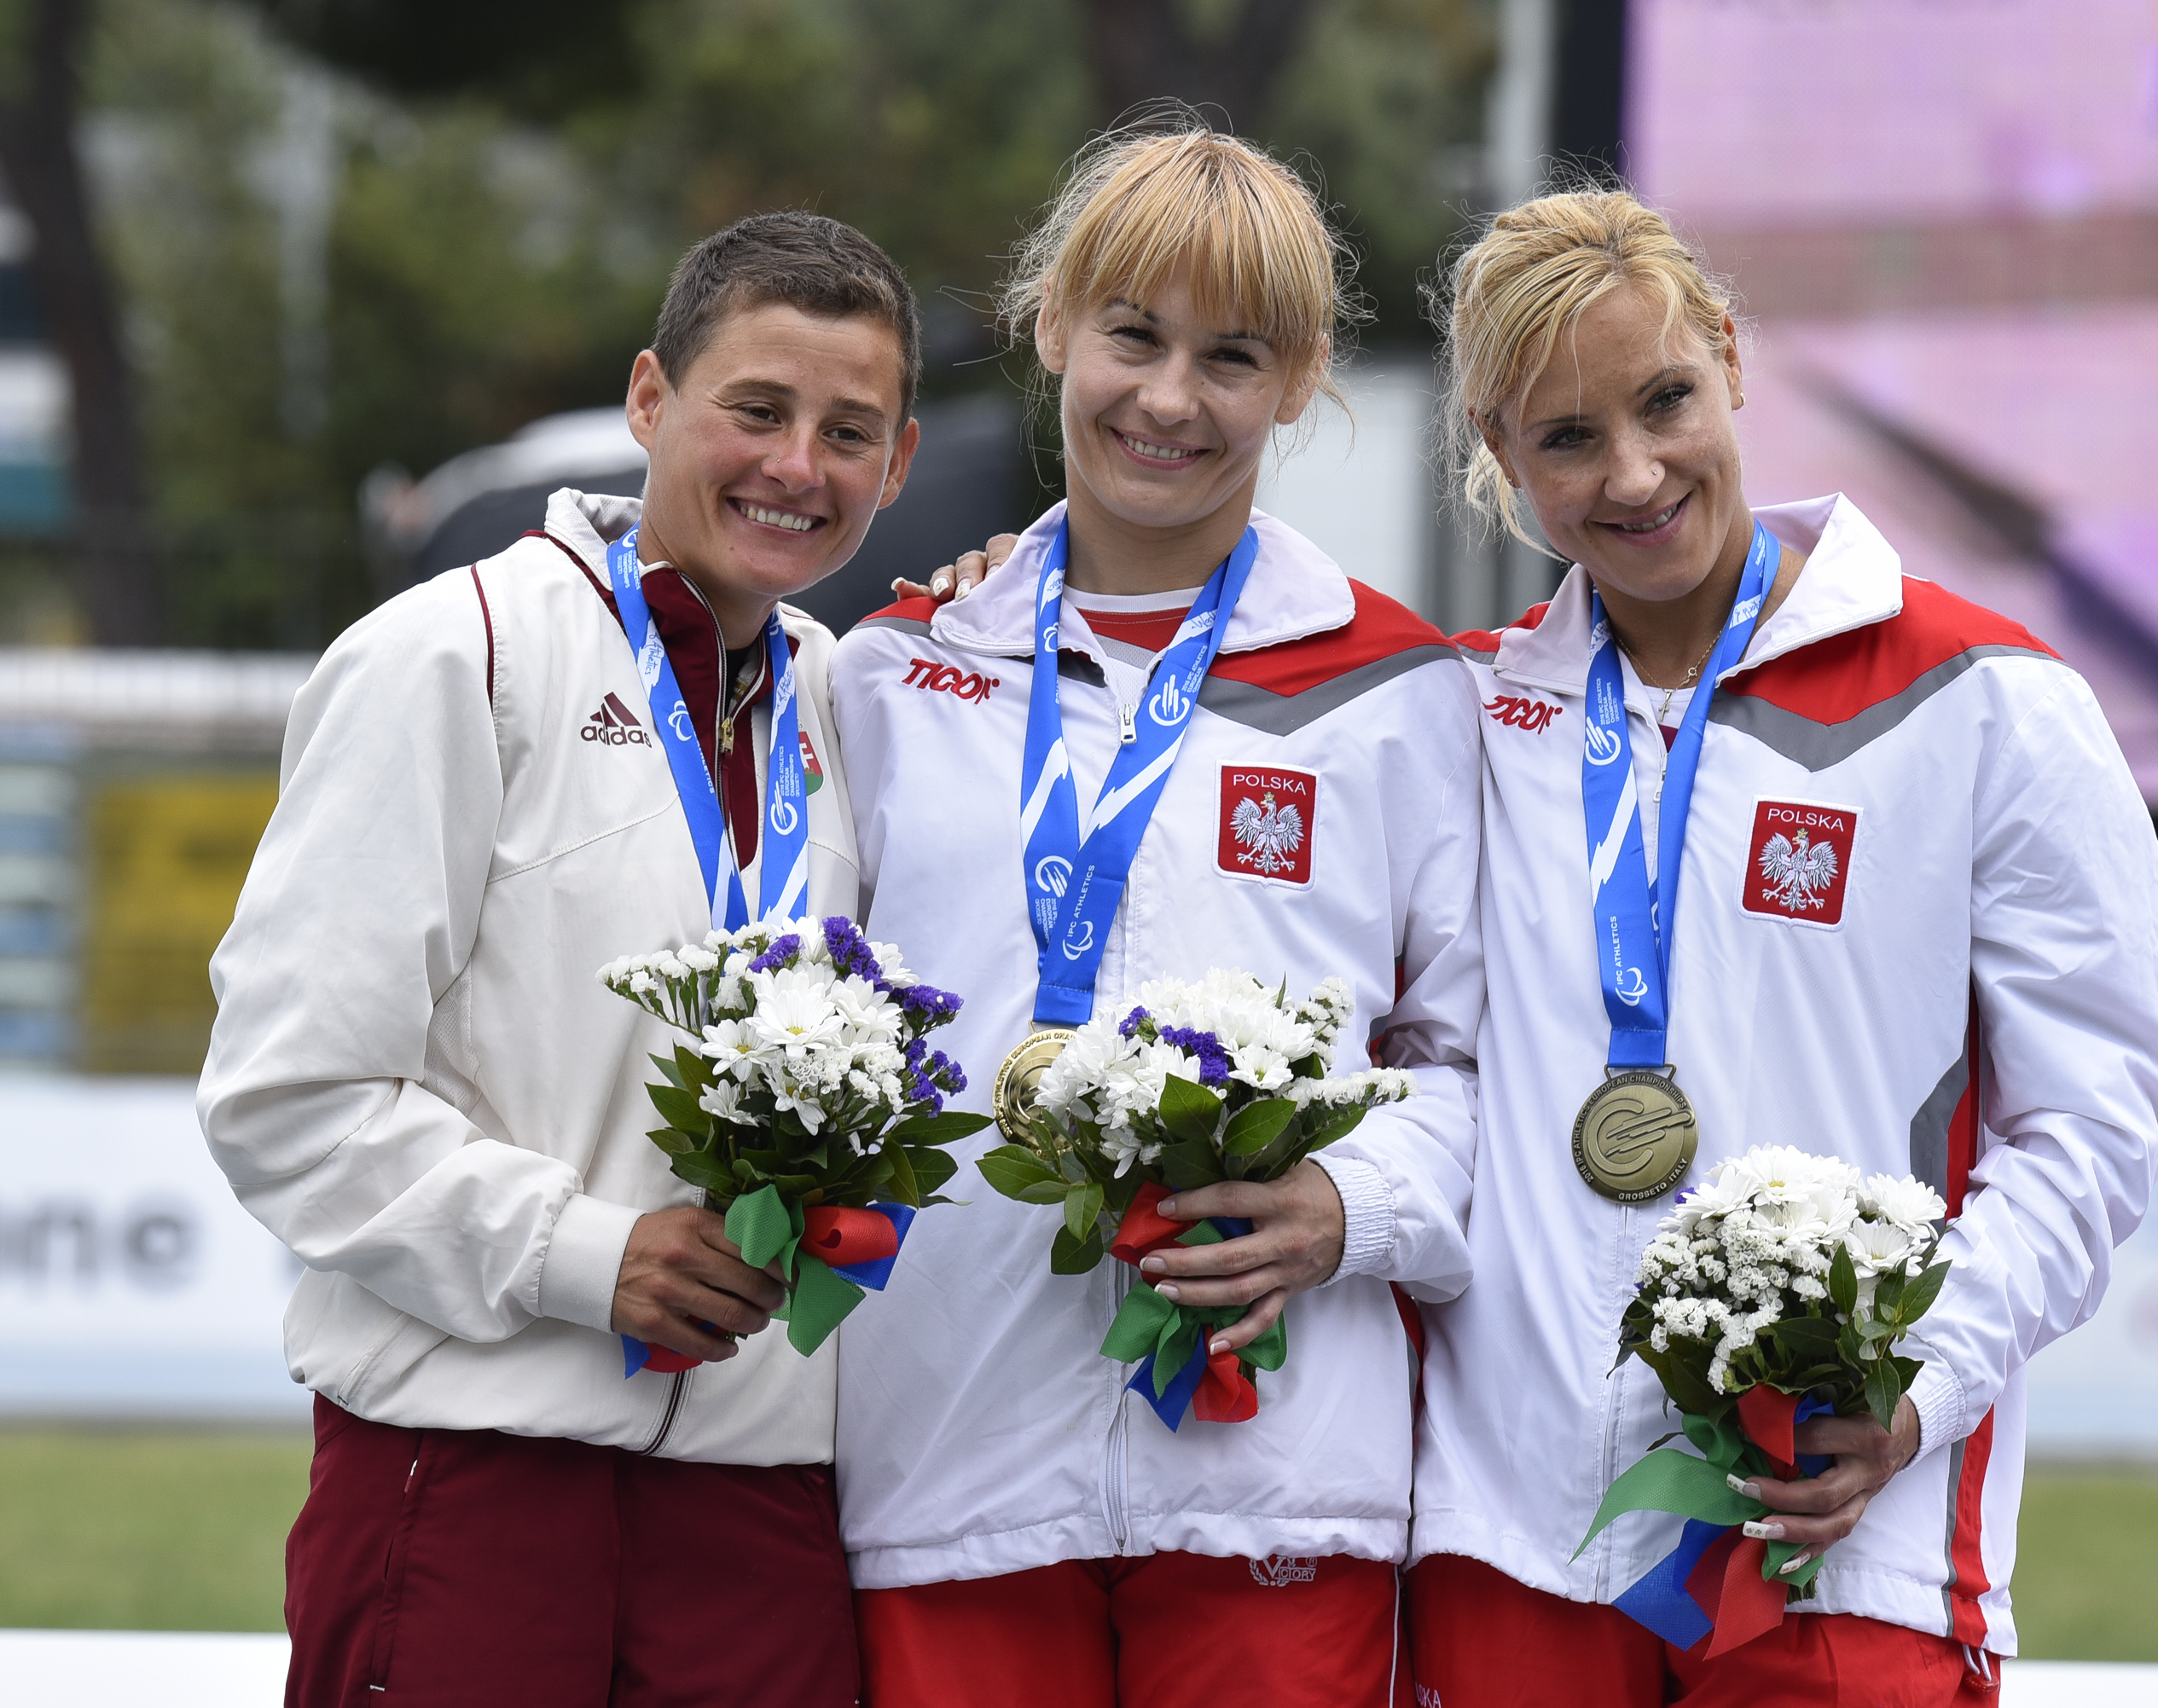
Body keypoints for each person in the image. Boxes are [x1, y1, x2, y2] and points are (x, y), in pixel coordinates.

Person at [1403, 190, 2158, 1705]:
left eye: (1666, 401)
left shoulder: (1987, 703)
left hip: (1837, 1535)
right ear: (1501, 455)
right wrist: (1003, 584)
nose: (1633, 474)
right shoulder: (1461, 716)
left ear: (1732, 364)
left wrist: (1913, 1383)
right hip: (1512, 1550)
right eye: (1566, 439)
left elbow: (2097, 1115)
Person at [198, 211, 922, 1707]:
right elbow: (289, 1095)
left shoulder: (863, 708)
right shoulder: (450, 657)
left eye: (849, 431)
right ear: (652, 401)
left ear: (897, 467)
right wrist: (588, 1260)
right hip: (469, 1463)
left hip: (762, 1492)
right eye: (758, 409)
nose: (800, 466)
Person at [822, 119, 1483, 1708]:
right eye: (1132, 336)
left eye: (1233, 356)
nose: (1171, 399)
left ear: (1301, 378)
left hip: (1283, 1474)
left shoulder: (1397, 693)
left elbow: (1477, 1065)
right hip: (955, 1461)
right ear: (1053, 323)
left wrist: (1351, 1207)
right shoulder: (897, 677)